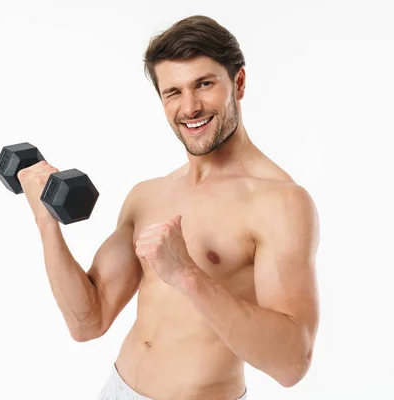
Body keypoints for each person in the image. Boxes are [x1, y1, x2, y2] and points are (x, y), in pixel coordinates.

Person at [17, 15, 320, 400]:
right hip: (116, 389)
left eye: (204, 85)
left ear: (238, 83)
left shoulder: (280, 202)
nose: (190, 107)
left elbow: (292, 362)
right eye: (173, 92)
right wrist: (46, 223)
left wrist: (188, 274)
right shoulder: (148, 195)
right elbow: (87, 321)